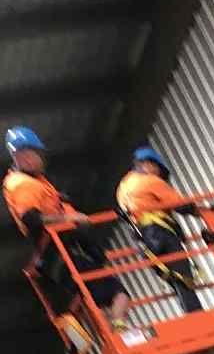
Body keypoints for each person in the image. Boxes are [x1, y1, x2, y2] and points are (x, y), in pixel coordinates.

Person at [3, 126, 130, 338]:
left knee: (101, 296)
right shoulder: (22, 184)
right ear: (23, 156)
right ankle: (120, 337)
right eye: (38, 154)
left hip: (58, 255)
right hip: (57, 254)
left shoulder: (37, 183)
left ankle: (115, 336)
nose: (42, 159)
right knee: (116, 293)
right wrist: (68, 217)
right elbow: (31, 219)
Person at [116, 144, 201, 312]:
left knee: (175, 280)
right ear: (148, 164)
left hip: (145, 242)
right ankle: (197, 314)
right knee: (183, 276)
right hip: (161, 234)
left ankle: (192, 312)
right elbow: (180, 204)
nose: (159, 175)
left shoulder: (122, 188)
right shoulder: (149, 180)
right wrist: (201, 211)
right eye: (158, 169)